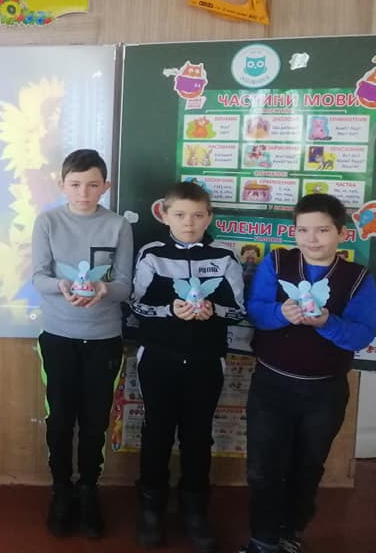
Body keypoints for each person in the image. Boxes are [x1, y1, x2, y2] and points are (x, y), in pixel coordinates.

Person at [239, 194, 376, 553]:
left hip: (324, 392)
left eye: (322, 230)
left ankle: (290, 533)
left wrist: (327, 323)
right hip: (271, 385)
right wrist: (280, 314)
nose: (311, 238)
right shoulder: (277, 262)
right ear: (294, 231)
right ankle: (262, 540)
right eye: (303, 230)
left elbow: (362, 334)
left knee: (307, 467)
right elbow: (255, 310)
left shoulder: (358, 278)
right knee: (262, 468)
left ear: (342, 234)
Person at [129, 181, 246, 552]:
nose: (189, 222)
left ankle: (195, 509)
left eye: (197, 215)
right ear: (165, 216)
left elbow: (238, 311)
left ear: (209, 217)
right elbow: (135, 305)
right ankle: (152, 508)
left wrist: (213, 310)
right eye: (180, 215)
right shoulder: (151, 254)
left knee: (198, 436)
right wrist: (169, 310)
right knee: (157, 433)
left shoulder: (225, 257)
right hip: (158, 358)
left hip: (206, 360)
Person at [31, 148, 134, 539]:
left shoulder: (118, 226)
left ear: (106, 186)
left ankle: (89, 489)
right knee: (59, 419)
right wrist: (61, 286)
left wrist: (104, 290)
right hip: (58, 337)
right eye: (75, 185)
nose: (83, 193)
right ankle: (61, 490)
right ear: (62, 184)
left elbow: (125, 285)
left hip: (104, 339)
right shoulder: (48, 222)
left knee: (94, 422)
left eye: (93, 185)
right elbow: (38, 277)